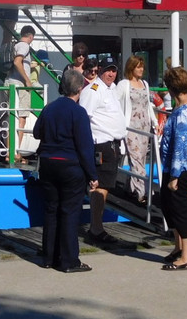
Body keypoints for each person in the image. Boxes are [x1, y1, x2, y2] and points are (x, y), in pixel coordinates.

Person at [32, 69, 98, 273]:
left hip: (48, 163)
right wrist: (92, 176)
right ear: (79, 88)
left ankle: (49, 257)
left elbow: (36, 133)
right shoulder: (78, 112)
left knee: (51, 210)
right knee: (69, 212)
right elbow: (85, 147)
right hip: (70, 165)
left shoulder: (49, 108)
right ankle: (69, 260)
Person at [79, 56, 126, 245]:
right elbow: (84, 118)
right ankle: (96, 229)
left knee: (105, 186)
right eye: (108, 70)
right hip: (101, 143)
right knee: (100, 186)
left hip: (113, 144)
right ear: (99, 70)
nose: (111, 74)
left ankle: (96, 226)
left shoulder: (112, 89)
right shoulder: (93, 90)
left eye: (114, 70)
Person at [159, 66, 187, 270]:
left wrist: (174, 176)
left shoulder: (184, 113)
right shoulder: (186, 106)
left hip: (181, 167)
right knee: (168, 205)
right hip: (175, 166)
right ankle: (178, 247)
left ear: (170, 88)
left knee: (181, 208)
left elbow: (180, 147)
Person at [115, 55, 155, 203]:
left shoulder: (144, 83)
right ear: (131, 68)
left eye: (142, 66)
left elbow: (147, 105)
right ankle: (142, 192)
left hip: (144, 126)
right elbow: (115, 103)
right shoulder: (123, 84)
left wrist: (154, 122)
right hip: (131, 127)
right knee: (136, 157)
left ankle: (129, 187)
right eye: (138, 67)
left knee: (141, 158)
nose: (141, 69)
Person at [5, 25, 36, 157]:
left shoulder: (16, 45)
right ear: (31, 36)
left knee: (13, 117)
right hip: (19, 86)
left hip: (11, 82)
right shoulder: (24, 45)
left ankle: (10, 151)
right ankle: (14, 152)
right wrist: (27, 81)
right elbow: (18, 62)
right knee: (21, 117)